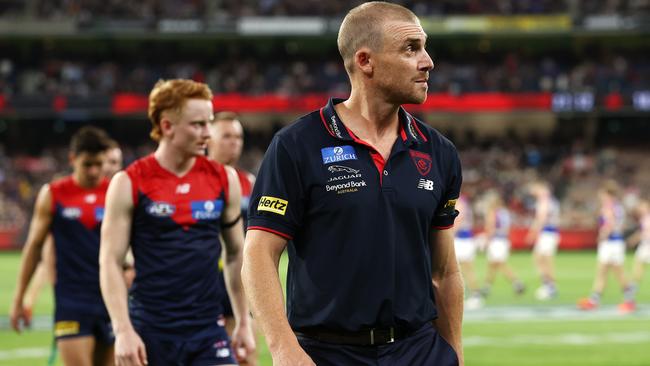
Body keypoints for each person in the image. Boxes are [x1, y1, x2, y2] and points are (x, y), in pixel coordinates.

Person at [241, 3, 463, 365]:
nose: (428, 61)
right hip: (326, 352)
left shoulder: (439, 152)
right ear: (365, 61)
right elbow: (259, 255)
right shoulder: (297, 146)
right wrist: (284, 350)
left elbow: (444, 272)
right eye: (411, 48)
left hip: (419, 350)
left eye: (424, 47)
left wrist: (454, 354)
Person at [99, 79, 255, 366]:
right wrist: (123, 330)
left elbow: (236, 254)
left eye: (209, 123)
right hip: (149, 332)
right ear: (167, 126)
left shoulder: (225, 179)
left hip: (209, 331)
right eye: (197, 124)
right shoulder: (129, 182)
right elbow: (110, 260)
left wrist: (244, 321)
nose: (207, 133)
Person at [10, 126, 115, 366]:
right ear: (72, 159)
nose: (94, 171)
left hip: (111, 299)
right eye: (87, 164)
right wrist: (19, 299)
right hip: (72, 301)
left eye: (99, 164)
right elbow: (34, 247)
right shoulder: (54, 194)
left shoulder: (113, 192)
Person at [207, 111, 258, 366]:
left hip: (239, 278)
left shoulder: (250, 183)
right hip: (204, 280)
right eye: (226, 136)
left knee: (246, 354)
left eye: (238, 136)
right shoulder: (199, 181)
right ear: (208, 140)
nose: (234, 142)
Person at [578, 180, 636, 312]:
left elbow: (609, 223)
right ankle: (594, 300)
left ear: (606, 194)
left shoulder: (609, 206)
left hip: (611, 243)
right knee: (604, 271)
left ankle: (629, 300)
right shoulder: (618, 206)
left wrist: (602, 235)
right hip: (616, 242)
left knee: (615, 273)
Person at [480, 191, 525, 298]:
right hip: (503, 240)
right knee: (492, 265)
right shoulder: (505, 212)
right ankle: (487, 286)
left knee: (499, 263)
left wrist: (486, 240)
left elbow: (490, 227)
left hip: (496, 241)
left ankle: (517, 283)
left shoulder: (493, 212)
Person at [525, 181, 561, 300]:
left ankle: (550, 286)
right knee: (540, 258)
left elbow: (541, 218)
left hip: (547, 233)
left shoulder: (545, 201)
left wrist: (533, 232)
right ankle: (548, 284)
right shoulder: (551, 201)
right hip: (549, 232)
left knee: (544, 259)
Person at [453, 193, 483, 310]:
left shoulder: (460, 202)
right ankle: (472, 294)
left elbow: (458, 221)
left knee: (465, 269)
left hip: (463, 240)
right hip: (465, 239)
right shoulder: (463, 202)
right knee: (463, 269)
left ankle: (475, 294)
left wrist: (450, 234)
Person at [627, 199, 650, 296]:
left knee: (637, 271)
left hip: (647, 246)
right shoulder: (644, 219)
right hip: (644, 246)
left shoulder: (647, 219)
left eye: (643, 207)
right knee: (637, 271)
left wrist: (634, 239)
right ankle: (629, 296)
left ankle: (629, 296)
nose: (641, 209)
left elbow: (645, 233)